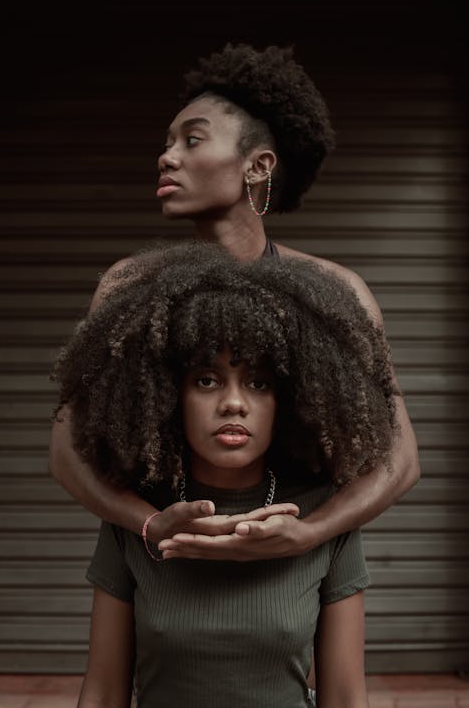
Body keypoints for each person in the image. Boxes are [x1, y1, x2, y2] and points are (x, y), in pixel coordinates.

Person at [49, 42, 419, 561]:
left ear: (257, 166)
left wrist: (310, 535)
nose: (166, 156)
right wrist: (151, 524)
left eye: (192, 140)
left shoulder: (336, 292)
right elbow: (66, 454)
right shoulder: (127, 286)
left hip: (298, 571)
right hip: (164, 558)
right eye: (167, 141)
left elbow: (400, 461)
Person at [51, 241, 398, 708]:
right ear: (169, 395)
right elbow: (102, 693)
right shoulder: (137, 520)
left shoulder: (320, 518)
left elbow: (346, 698)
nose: (234, 403)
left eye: (258, 383)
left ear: (289, 402)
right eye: (207, 380)